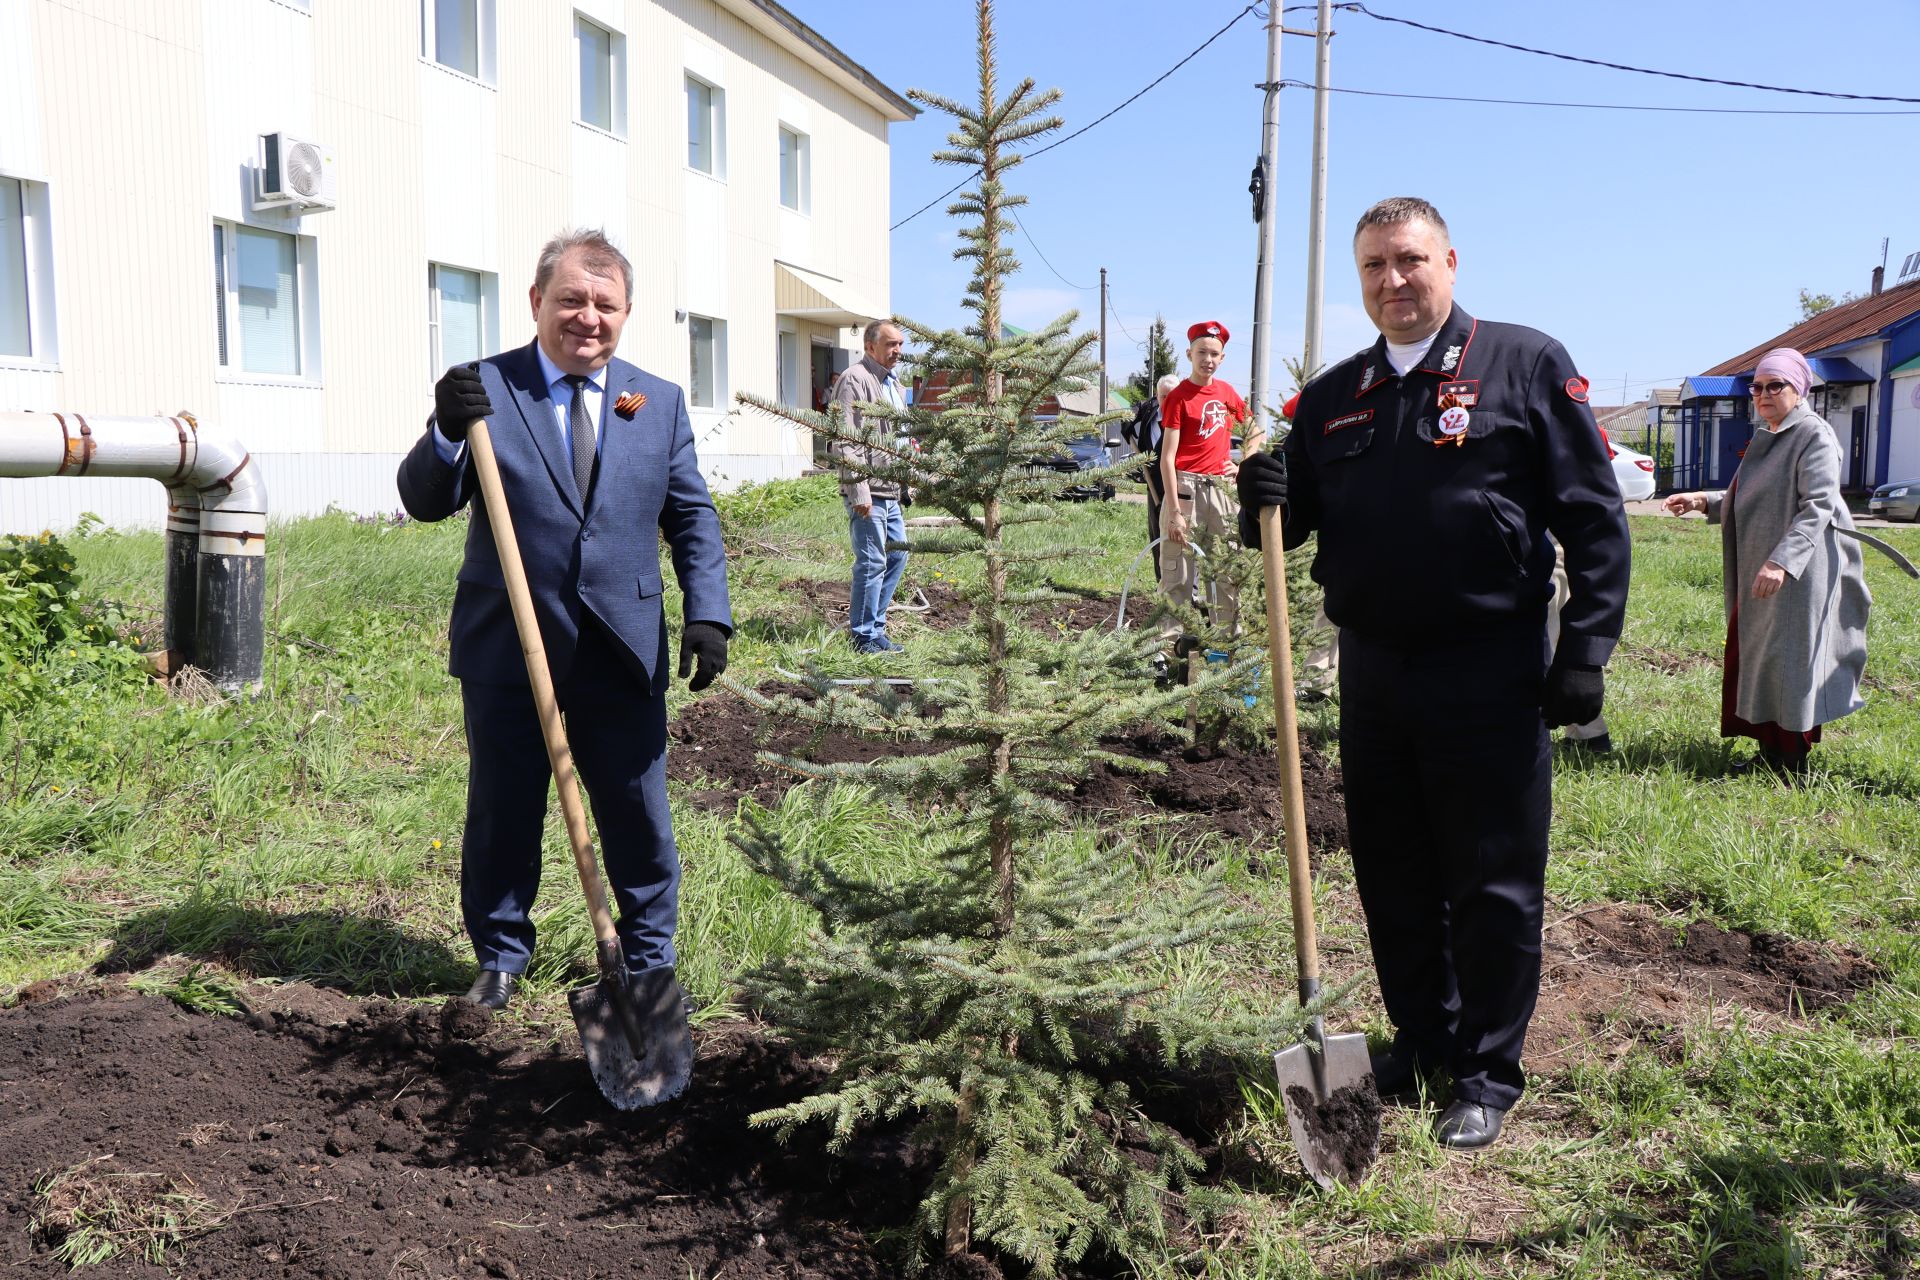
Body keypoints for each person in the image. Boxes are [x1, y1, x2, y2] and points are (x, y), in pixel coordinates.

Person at [1237, 197, 1629, 1150]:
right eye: (1373, 266)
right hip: (1375, 675)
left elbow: (1594, 518)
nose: (1392, 282)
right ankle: (1421, 1038)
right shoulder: (1334, 400)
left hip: (1488, 671)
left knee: (1492, 881)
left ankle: (1490, 1072)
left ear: (1449, 261)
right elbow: (1286, 527)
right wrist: (1261, 500)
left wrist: (1584, 651)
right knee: (1395, 873)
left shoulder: (1523, 364)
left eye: (1408, 260)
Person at [397, 228, 732, 1026]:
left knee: (637, 812)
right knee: (504, 809)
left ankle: (649, 961)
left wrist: (707, 612)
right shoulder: (484, 390)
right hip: (509, 643)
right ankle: (500, 959)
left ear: (626, 313)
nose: (589, 318)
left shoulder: (656, 401)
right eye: (572, 300)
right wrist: (445, 429)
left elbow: (691, 514)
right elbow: (423, 499)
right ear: (537, 302)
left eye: (606, 304)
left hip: (622, 647)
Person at [1663, 347, 1868, 779]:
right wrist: (1702, 499)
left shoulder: (1813, 435)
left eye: (1775, 385)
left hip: (1797, 571)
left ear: (1799, 388)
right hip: (1764, 568)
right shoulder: (1772, 433)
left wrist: (1782, 562)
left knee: (1791, 663)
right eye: (1757, 387)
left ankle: (1792, 762)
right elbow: (1754, 493)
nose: (1763, 394)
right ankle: (1770, 753)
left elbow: (1817, 507)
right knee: (1763, 659)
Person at [1159, 321, 1262, 649]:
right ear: (1190, 354)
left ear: (1222, 357)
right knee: (1177, 573)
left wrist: (1243, 464)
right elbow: (1167, 459)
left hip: (1221, 492)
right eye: (1202, 352)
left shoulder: (1227, 393)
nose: (1208, 359)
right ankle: (1167, 648)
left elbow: (1255, 432)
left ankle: (1226, 646)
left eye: (1215, 354)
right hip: (1186, 489)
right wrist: (1175, 510)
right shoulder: (1178, 397)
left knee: (1227, 571)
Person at [832, 320, 911, 655]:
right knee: (872, 562)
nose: (897, 351)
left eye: (901, 345)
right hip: (869, 491)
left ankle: (875, 629)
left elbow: (900, 437)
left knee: (898, 556)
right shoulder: (856, 379)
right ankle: (863, 637)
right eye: (891, 344)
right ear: (869, 346)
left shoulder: (894, 384)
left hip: (891, 490)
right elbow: (846, 441)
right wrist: (858, 490)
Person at [1123, 374, 1178, 581]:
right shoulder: (1150, 412)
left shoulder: (1184, 419)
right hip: (1154, 487)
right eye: (1164, 397)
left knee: (1179, 539)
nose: (1168, 401)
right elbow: (1133, 409)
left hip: (1179, 486)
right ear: (1157, 396)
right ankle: (1161, 584)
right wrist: (1127, 420)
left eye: (1173, 396)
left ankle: (1187, 591)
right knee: (1157, 536)